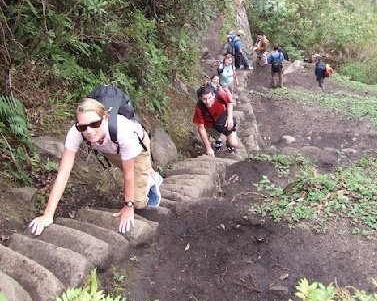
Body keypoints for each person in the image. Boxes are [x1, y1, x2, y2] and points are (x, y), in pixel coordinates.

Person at [28, 98, 163, 236]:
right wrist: (48, 214)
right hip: (111, 149)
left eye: (95, 123)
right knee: (131, 174)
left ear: (104, 117)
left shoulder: (123, 132)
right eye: (83, 127)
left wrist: (128, 206)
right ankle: (145, 175)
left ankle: (152, 179)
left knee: (138, 202)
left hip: (137, 148)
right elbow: (63, 173)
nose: (89, 131)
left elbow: (128, 174)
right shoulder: (76, 132)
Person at [193, 84, 239, 155]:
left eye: (209, 98)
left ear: (214, 95)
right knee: (213, 136)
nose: (208, 101)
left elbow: (229, 102)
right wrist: (208, 148)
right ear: (201, 98)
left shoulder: (219, 95)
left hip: (222, 119)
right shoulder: (199, 107)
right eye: (204, 99)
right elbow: (201, 128)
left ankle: (229, 144)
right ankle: (218, 140)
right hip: (210, 125)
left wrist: (230, 118)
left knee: (233, 143)